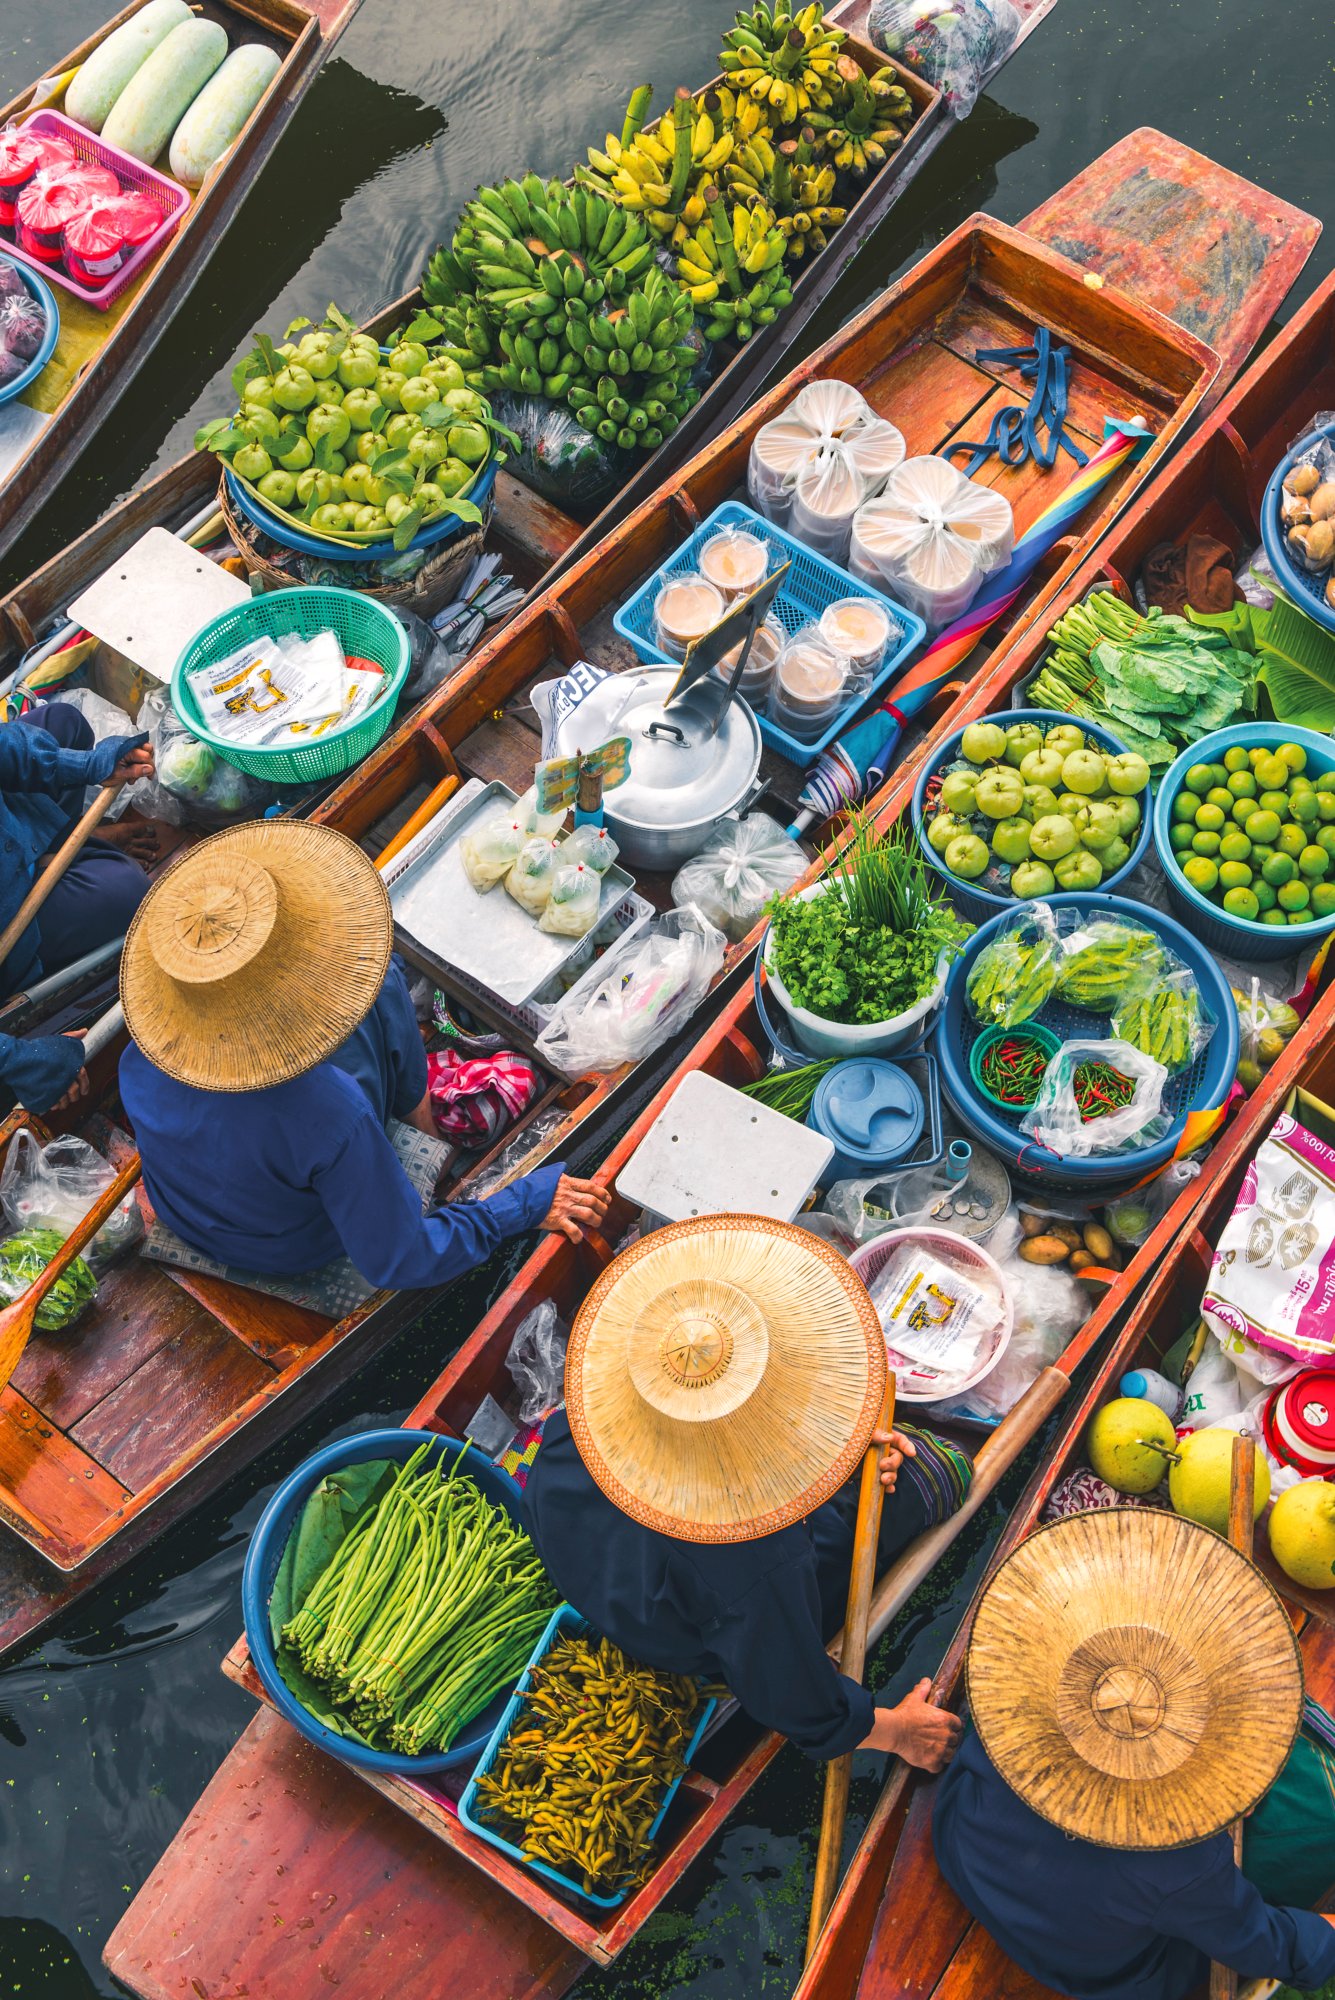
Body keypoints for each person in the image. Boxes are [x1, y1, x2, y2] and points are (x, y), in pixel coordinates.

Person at [524, 1216, 969, 1770]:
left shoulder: (588, 1410)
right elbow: (798, 1702)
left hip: (603, 1564)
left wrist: (846, 1450)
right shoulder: (756, 1557)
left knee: (878, 1469)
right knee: (935, 1476)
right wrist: (900, 1731)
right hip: (680, 1629)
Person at [117, 820, 609, 1289]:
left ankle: (428, 1138)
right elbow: (402, 1259)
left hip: (189, 1210)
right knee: (380, 984)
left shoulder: (143, 1054)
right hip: (294, 1246)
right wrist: (524, 1203)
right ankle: (433, 1139)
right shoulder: (330, 1111)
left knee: (381, 987)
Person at [931, 1507, 1335, 2000]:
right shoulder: (1187, 1860)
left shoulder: (1016, 1692)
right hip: (1093, 1963)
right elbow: (1269, 1944)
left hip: (961, 1845)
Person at [0, 700, 156, 1116]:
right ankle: (53, 859)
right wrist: (15, 1060)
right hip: (9, 924)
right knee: (128, 890)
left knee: (64, 723)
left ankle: (56, 848)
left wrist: (89, 766)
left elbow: (6, 748)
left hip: (10, 828)